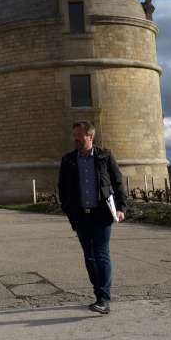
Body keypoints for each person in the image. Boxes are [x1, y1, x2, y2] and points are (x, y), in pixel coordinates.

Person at [58, 121, 126, 315]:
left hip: (102, 214)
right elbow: (62, 188)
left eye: (79, 134)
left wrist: (121, 207)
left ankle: (104, 298)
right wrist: (68, 210)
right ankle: (98, 294)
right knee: (89, 257)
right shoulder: (68, 160)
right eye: (75, 134)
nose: (75, 138)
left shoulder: (105, 156)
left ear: (90, 136)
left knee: (101, 254)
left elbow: (118, 182)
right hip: (80, 216)